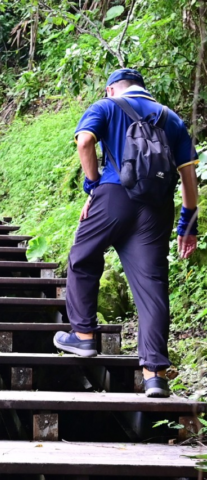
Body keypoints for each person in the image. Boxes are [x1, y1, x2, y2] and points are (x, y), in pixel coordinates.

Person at [53, 68, 200, 398]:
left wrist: (92, 187)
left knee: (82, 257)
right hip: (156, 208)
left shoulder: (106, 107)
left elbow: (86, 142)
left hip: (113, 196)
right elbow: (189, 179)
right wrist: (187, 227)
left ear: (111, 89)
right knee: (151, 286)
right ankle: (154, 374)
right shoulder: (171, 118)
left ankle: (84, 336)